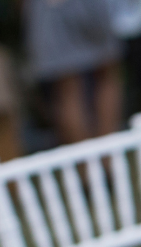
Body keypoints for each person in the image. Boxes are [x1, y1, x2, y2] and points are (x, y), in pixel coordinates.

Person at [22, 0, 123, 144]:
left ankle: (88, 163)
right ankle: (108, 157)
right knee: (106, 75)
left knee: (68, 90)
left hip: (50, 6)